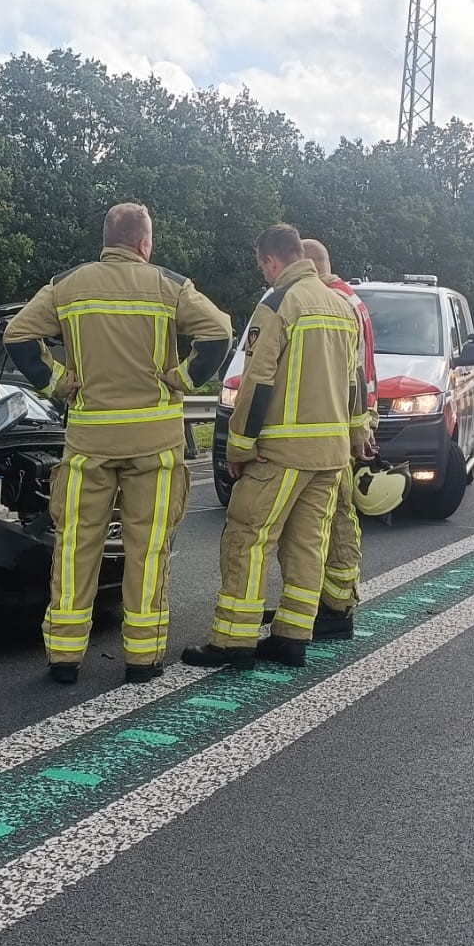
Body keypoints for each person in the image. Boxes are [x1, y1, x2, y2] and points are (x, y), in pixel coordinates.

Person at [5, 203, 233, 685]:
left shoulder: (67, 286)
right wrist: (183, 378)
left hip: (89, 441)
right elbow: (219, 330)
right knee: (147, 548)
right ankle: (142, 658)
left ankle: (64, 656)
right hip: (154, 442)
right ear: (145, 243)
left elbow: (18, 334)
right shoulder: (169, 286)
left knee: (76, 545)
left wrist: (59, 383)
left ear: (106, 240)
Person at [184, 223, 368, 669]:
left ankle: (234, 642)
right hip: (330, 454)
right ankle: (291, 638)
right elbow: (355, 386)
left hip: (281, 452)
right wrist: (356, 436)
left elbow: (257, 381)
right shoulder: (343, 306)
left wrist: (239, 447)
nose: (263, 274)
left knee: (248, 538)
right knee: (308, 546)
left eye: (261, 266)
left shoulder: (278, 304)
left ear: (271, 259)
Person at [301, 237, 378, 639]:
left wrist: (359, 423)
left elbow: (350, 374)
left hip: (340, 421)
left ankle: (336, 606)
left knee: (337, 516)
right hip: (351, 418)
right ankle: (331, 600)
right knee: (337, 515)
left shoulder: (333, 302)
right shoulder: (350, 298)